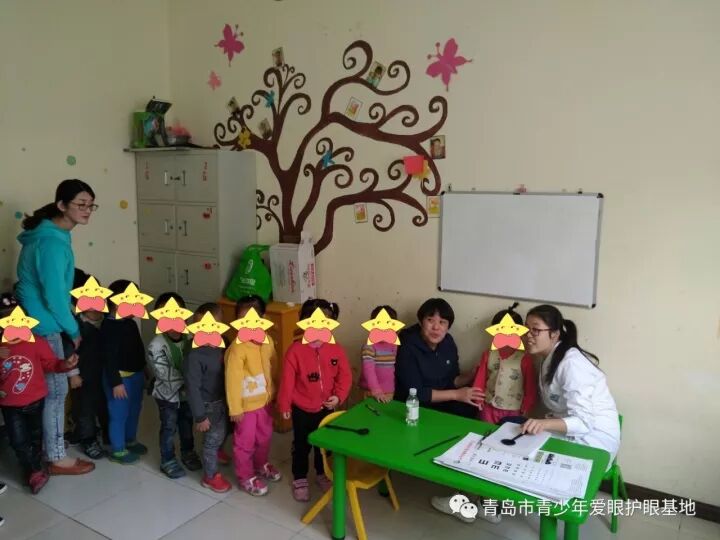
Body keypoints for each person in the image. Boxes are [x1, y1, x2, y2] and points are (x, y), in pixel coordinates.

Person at [15, 179, 97, 475]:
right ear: (62, 205)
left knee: (52, 391)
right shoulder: (51, 242)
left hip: (41, 321)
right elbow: (54, 295)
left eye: (91, 205)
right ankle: (56, 458)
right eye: (81, 204)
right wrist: (73, 330)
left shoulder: (51, 234)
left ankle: (50, 450)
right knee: (56, 393)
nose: (87, 210)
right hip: (45, 325)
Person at [0, 293, 79, 493]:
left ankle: (35, 466)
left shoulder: (36, 342)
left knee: (36, 437)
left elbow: (51, 364)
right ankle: (33, 470)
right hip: (10, 405)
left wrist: (65, 364)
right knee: (18, 440)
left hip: (36, 401)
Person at [521, 304, 620, 463]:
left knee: (529, 460)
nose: (528, 335)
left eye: (536, 330)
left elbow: (584, 423)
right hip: (571, 430)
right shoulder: (549, 358)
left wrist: (544, 423)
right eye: (526, 328)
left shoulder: (572, 364)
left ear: (554, 334)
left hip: (594, 441)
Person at [277, 298, 352, 502]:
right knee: (301, 445)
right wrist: (284, 404)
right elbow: (287, 381)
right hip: (301, 408)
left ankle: (322, 473)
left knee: (324, 445)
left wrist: (338, 396)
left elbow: (345, 376)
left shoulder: (336, 349)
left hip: (327, 408)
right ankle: (300, 477)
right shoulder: (295, 350)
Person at [225, 295, 281, 496]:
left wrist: (275, 392)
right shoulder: (237, 349)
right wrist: (235, 408)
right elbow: (232, 380)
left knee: (264, 438)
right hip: (246, 407)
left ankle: (260, 464)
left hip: (265, 403)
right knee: (245, 442)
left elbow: (274, 367)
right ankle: (245, 476)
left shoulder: (267, 342)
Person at [394, 298, 482, 418]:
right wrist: (457, 394)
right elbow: (416, 393)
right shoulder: (406, 345)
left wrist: (471, 375)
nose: (436, 327)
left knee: (472, 407)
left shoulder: (448, 342)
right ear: (421, 322)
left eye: (442, 322)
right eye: (430, 320)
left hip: (441, 401)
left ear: (448, 326)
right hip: (413, 405)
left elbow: (451, 381)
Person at [147, 292, 201, 479]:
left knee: (186, 423)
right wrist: (189, 382)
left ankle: (188, 452)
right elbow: (163, 372)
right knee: (169, 427)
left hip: (187, 395)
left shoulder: (190, 337)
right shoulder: (156, 345)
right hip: (167, 396)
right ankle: (167, 459)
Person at [184, 303, 232, 493]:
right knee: (211, 440)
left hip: (223, 399)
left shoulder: (224, 344)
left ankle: (217, 450)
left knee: (223, 431)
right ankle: (210, 476)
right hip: (207, 405)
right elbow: (192, 387)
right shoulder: (194, 355)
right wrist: (200, 416)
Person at [472, 303, 537, 424]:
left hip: (513, 409)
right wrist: (478, 399)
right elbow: (480, 380)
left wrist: (527, 406)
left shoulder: (524, 359)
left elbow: (530, 387)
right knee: (485, 431)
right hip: (488, 407)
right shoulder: (488, 355)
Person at [69, 269, 109, 460]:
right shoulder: (75, 326)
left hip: (104, 374)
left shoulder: (107, 322)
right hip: (83, 375)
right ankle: (87, 438)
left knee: (104, 405)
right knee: (85, 408)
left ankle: (105, 433)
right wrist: (73, 373)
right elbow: (69, 352)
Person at [359, 305, 400, 403]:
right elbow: (368, 371)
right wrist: (376, 391)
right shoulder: (369, 346)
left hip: (389, 390)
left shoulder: (394, 345)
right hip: (370, 391)